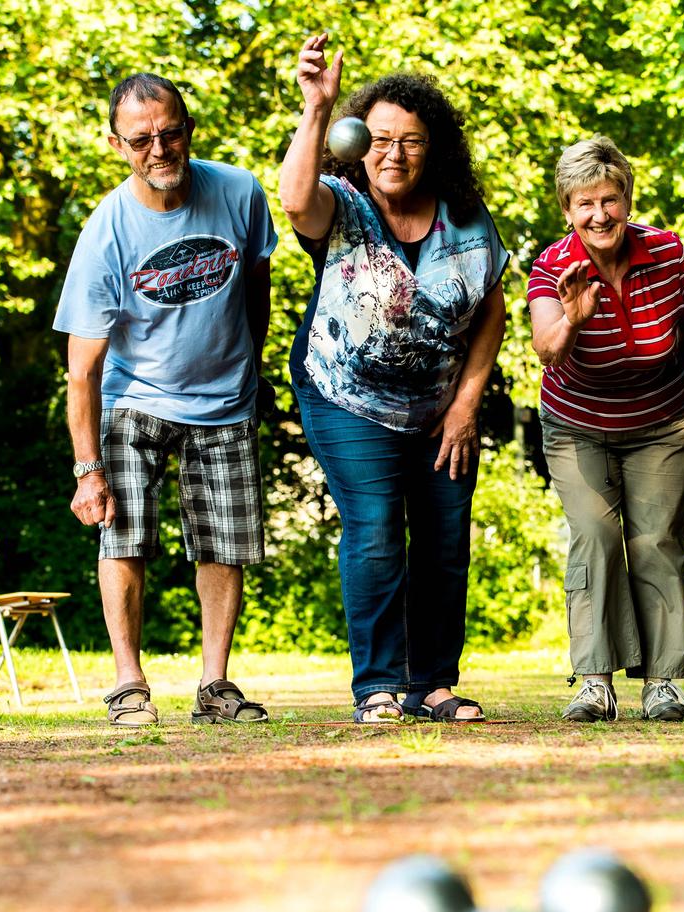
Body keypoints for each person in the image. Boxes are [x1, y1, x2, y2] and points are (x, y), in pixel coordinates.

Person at [279, 34, 508, 723]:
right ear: (358, 145)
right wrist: (317, 106)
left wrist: (467, 402)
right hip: (346, 394)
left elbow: (492, 305)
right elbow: (293, 202)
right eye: (379, 139)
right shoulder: (342, 206)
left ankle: (433, 684)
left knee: (444, 537)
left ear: (432, 147)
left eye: (409, 140)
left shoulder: (467, 218)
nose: (393, 153)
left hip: (440, 405)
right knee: (376, 530)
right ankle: (378, 685)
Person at [54, 73, 277, 726]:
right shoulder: (106, 233)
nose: (159, 147)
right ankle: (128, 683)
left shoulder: (239, 193)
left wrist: (248, 364)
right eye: (142, 138)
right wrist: (87, 469)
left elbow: (255, 287)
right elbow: (82, 372)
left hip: (227, 400)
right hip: (135, 399)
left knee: (225, 544)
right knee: (123, 535)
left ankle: (216, 687)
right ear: (118, 144)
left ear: (189, 128)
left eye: (170, 131)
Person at [528, 136, 684, 722]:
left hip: (661, 421)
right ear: (567, 210)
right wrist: (573, 318)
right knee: (595, 538)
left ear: (627, 198)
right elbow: (547, 350)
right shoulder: (553, 266)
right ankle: (594, 682)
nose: (600, 215)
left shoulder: (670, 253)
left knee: (655, 542)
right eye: (585, 204)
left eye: (610, 199)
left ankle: (665, 682)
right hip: (577, 425)